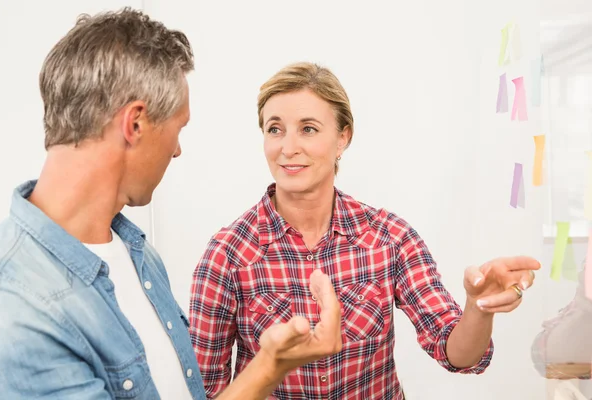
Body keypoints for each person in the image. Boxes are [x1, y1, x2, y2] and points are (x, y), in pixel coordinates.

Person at [0, 9, 342, 400]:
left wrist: (268, 364)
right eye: (178, 128)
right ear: (136, 124)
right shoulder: (16, 309)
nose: (176, 150)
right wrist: (270, 367)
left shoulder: (136, 253)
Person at [188, 62, 541, 399]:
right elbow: (204, 391)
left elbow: (458, 353)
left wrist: (478, 308)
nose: (288, 147)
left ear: (343, 138)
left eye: (308, 128)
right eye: (274, 129)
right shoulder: (227, 254)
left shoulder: (390, 238)